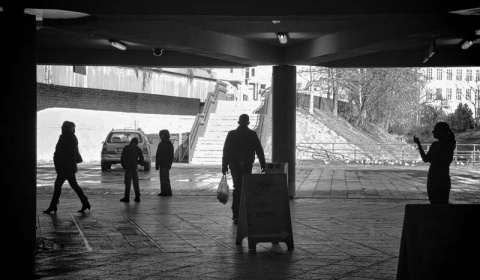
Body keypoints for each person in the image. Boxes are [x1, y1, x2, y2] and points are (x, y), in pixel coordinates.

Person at [222, 114, 266, 224]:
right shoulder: (251, 134)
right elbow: (259, 150)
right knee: (244, 187)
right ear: (247, 123)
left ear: (239, 122)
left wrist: (224, 165)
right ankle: (243, 212)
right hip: (247, 165)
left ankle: (236, 213)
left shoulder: (232, 134)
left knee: (237, 187)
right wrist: (262, 163)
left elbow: (226, 150)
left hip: (234, 165)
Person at [44, 121, 90, 213]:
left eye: (63, 127)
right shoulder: (71, 137)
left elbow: (64, 153)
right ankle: (85, 202)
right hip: (68, 167)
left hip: (65, 167)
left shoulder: (66, 137)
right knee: (73, 186)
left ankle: (53, 206)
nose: (61, 128)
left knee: (59, 186)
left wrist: (59, 162)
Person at [413, 122, 456, 204]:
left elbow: (426, 159)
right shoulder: (449, 145)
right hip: (442, 178)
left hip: (434, 178)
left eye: (435, 130)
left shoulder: (437, 145)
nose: (433, 132)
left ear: (441, 132)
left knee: (434, 203)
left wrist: (419, 144)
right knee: (442, 204)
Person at [120, 137, 144, 202]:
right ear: (136, 143)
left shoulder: (126, 148)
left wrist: (123, 165)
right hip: (134, 167)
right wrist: (137, 162)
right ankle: (137, 197)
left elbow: (122, 157)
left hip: (127, 167)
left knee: (127, 183)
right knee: (136, 182)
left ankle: (127, 197)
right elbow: (142, 159)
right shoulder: (138, 149)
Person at [156, 129, 174, 196]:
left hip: (165, 164)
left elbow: (170, 155)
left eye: (162, 135)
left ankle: (167, 191)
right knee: (163, 178)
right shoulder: (166, 144)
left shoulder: (166, 144)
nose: (161, 136)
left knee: (165, 178)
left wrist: (169, 163)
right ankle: (165, 191)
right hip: (163, 164)